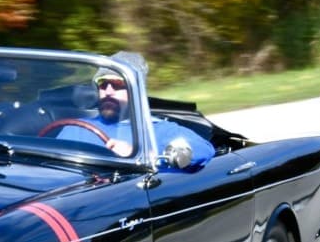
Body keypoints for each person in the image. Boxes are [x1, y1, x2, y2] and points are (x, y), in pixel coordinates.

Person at [57, 69, 215, 168]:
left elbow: (203, 149)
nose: (108, 91)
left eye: (117, 84)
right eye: (103, 84)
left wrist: (144, 155)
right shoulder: (76, 129)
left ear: (136, 91)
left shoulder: (159, 130)